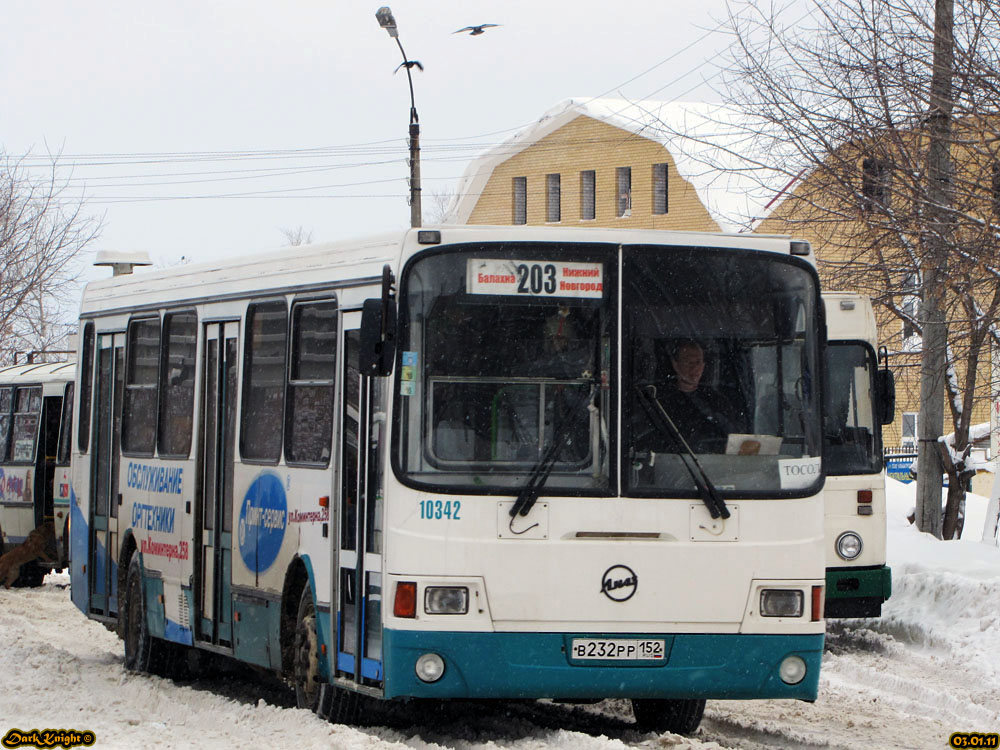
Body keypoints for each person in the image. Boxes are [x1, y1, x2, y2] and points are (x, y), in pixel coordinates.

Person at [648, 339, 742, 452]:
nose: (694, 368)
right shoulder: (660, 402)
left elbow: (734, 439)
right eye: (688, 362)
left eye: (698, 362)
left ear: (703, 366)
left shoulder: (718, 402)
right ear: (675, 365)